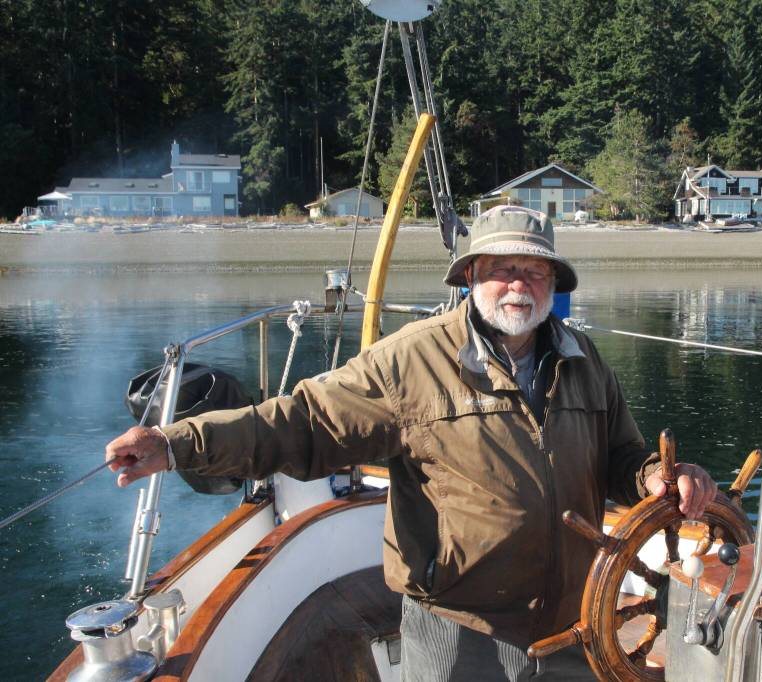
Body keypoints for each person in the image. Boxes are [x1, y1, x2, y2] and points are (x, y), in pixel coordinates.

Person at [105, 205, 717, 681]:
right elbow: (302, 422)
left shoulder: (585, 362)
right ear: (472, 275)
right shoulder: (412, 360)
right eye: (502, 268)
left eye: (535, 271)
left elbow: (623, 458)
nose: (518, 285)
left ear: (554, 282)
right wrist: (177, 442)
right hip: (461, 631)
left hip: (576, 621)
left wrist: (662, 479)